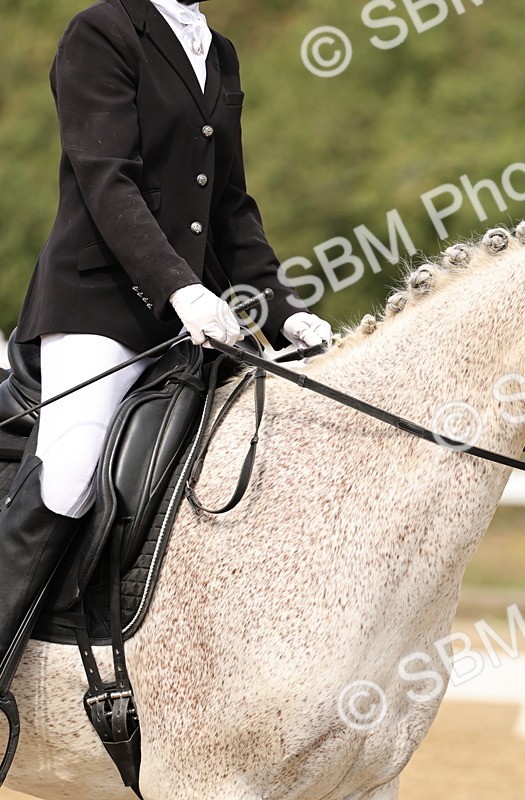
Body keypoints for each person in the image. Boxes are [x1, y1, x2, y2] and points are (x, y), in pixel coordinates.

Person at [0, 0, 332, 740]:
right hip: (97, 305)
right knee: (71, 471)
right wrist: (178, 285)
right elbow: (106, 179)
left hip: (199, 318)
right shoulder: (102, 30)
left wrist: (280, 311)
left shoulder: (218, 48)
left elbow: (232, 208)